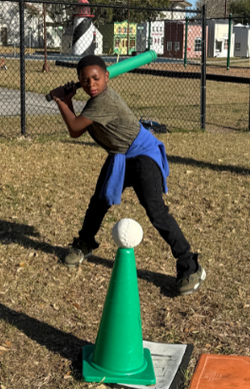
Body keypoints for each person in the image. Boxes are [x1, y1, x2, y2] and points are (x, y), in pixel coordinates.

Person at [48, 55, 204, 296]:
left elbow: (75, 129)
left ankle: (190, 265)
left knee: (156, 211)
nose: (91, 85)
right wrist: (67, 100)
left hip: (142, 154)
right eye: (85, 80)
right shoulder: (94, 101)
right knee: (98, 202)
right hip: (120, 155)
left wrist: (61, 100)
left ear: (107, 76)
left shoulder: (103, 101)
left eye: (96, 78)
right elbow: (78, 127)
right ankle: (84, 244)